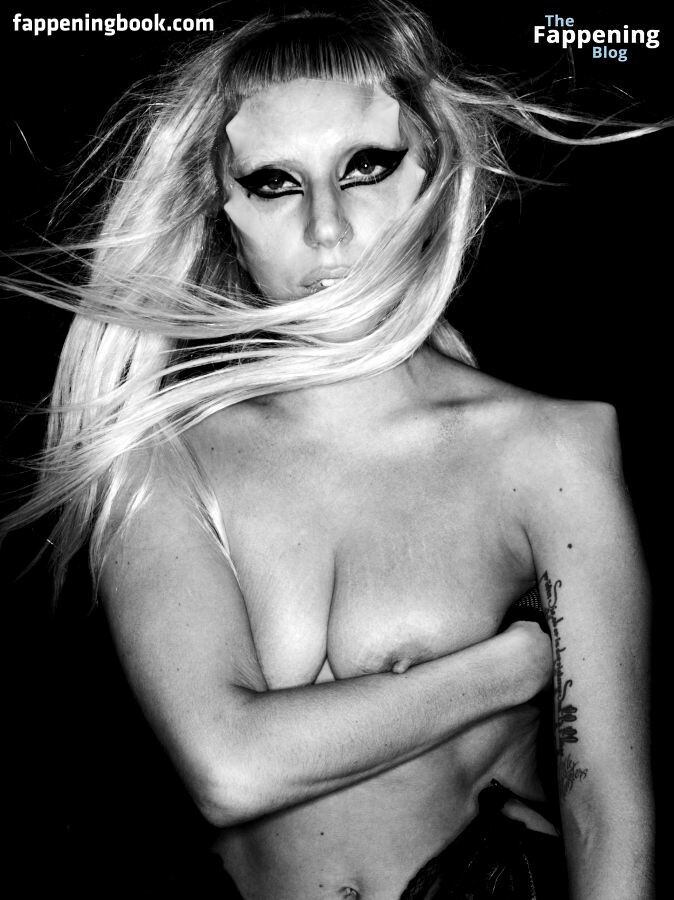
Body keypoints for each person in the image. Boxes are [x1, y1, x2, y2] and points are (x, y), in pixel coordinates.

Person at [1, 1, 656, 897]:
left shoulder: (550, 452)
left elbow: (605, 815)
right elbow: (229, 768)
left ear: (434, 171)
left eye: (366, 167)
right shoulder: (153, 459)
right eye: (276, 182)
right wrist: (507, 668)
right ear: (219, 210)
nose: (328, 228)